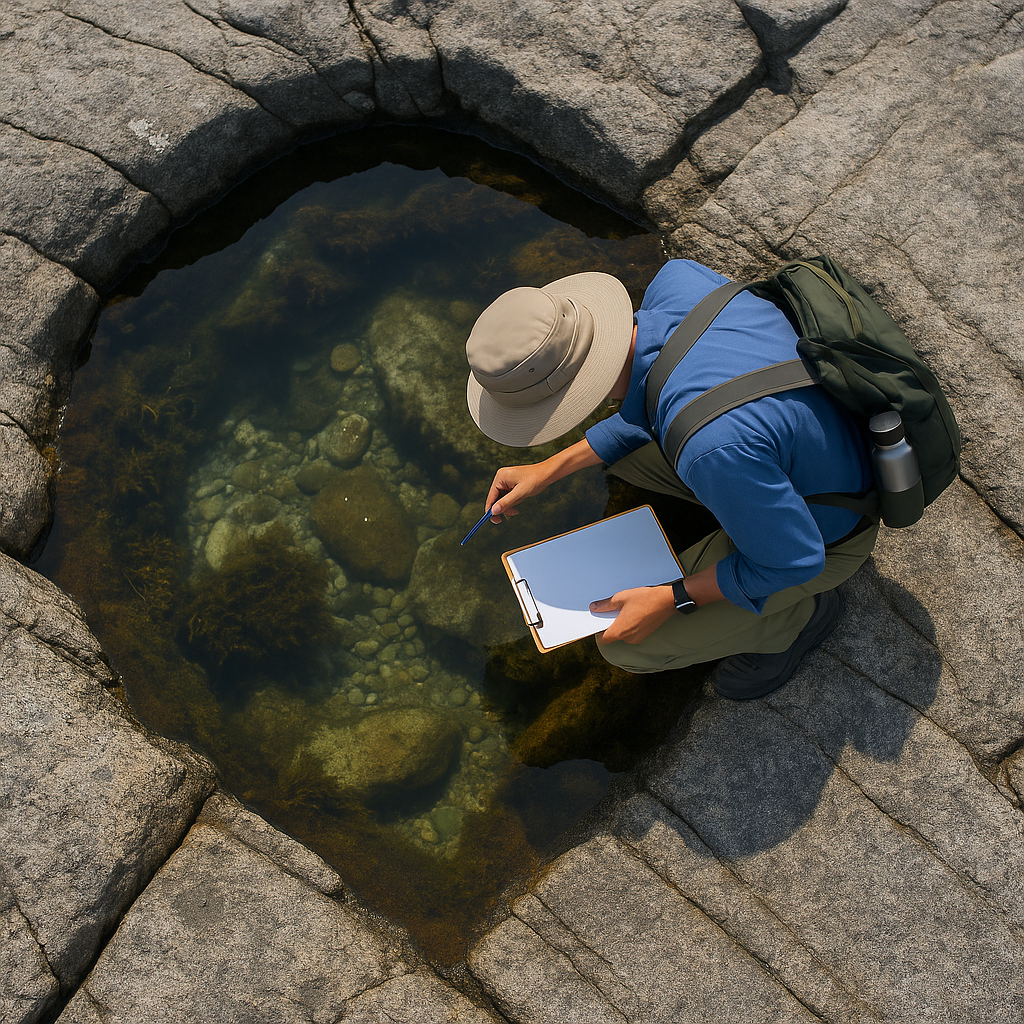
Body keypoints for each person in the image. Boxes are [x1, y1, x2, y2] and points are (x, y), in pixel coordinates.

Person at [463, 259, 879, 700]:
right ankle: (744, 508)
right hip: (816, 442)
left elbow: (795, 560)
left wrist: (672, 597)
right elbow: (657, 396)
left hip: (826, 534)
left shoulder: (709, 446)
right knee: (627, 457)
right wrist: (550, 469)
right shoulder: (677, 279)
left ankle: (796, 621)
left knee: (625, 646)